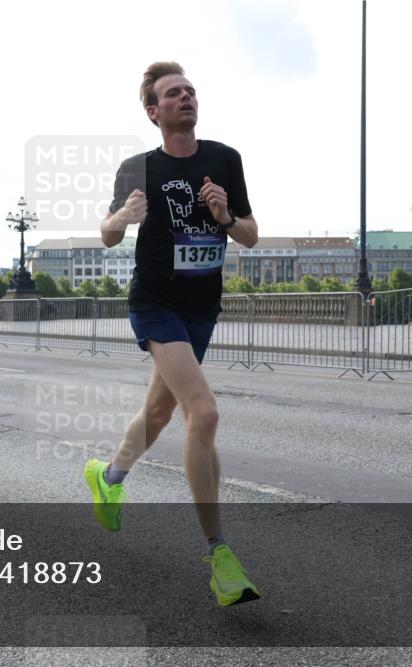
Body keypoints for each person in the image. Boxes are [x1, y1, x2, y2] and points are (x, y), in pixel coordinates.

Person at [85, 62, 261, 607]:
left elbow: (251, 236)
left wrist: (225, 216)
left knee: (160, 414)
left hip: (201, 308)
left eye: (190, 91)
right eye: (172, 93)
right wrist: (125, 217)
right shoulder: (137, 168)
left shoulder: (224, 159)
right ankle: (219, 555)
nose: (185, 97)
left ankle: (109, 476)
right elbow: (107, 235)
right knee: (202, 412)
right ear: (153, 111)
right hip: (156, 304)